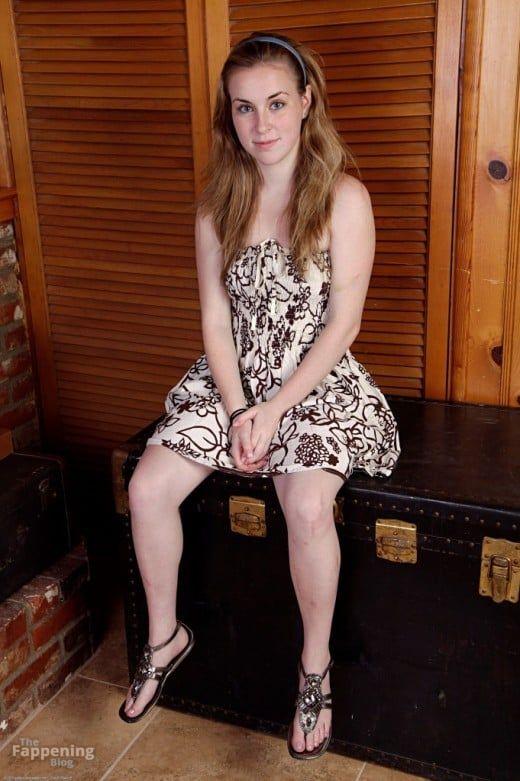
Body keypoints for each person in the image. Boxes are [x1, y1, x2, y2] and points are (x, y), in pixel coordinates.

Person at [119, 31, 401, 761]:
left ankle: (315, 667)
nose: (261, 123)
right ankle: (164, 637)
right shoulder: (218, 206)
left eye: (276, 103)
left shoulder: (344, 197)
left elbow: (344, 324)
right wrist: (242, 405)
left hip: (317, 383)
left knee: (305, 506)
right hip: (233, 380)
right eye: (244, 108)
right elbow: (216, 321)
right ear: (230, 116)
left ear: (306, 101)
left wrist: (275, 410)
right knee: (146, 487)